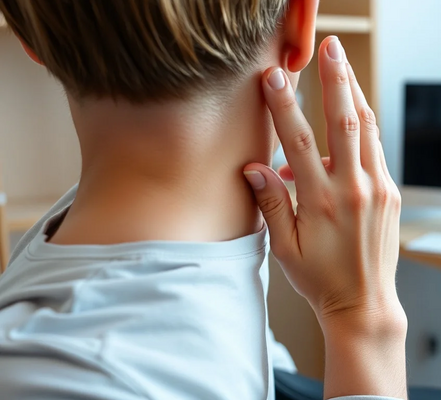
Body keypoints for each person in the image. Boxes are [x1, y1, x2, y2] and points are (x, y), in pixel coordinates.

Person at [0, 1, 407, 399]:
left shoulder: (107, 221)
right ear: (302, 20)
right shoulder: (75, 376)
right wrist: (364, 323)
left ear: (28, 36)